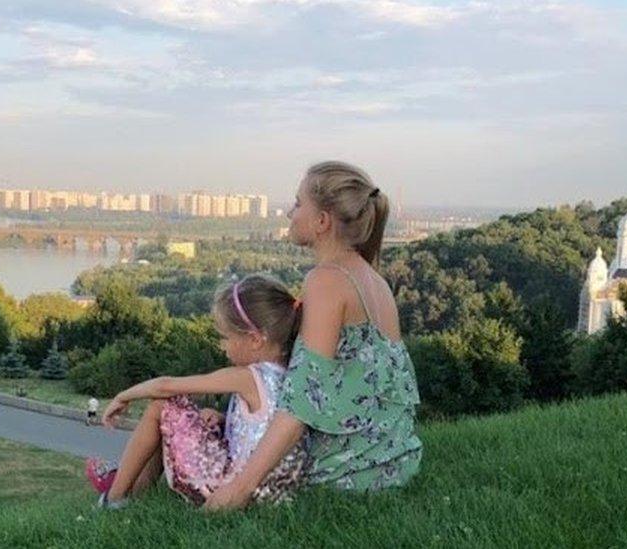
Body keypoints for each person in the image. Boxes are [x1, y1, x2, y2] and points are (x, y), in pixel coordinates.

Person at [204, 161, 422, 510]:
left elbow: (302, 403)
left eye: (297, 203)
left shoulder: (326, 280)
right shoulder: (372, 279)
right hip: (393, 461)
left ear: (322, 222)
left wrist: (238, 490)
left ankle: (117, 499)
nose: (290, 213)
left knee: (184, 438)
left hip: (351, 473)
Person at [88, 274, 309, 508]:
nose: (221, 345)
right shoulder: (289, 374)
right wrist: (224, 420)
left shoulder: (247, 377)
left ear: (255, 340)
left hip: (230, 489)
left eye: (225, 337)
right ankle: (135, 493)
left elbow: (166, 386)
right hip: (270, 494)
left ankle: (112, 500)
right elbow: (262, 427)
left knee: (162, 406)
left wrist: (123, 397)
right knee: (179, 419)